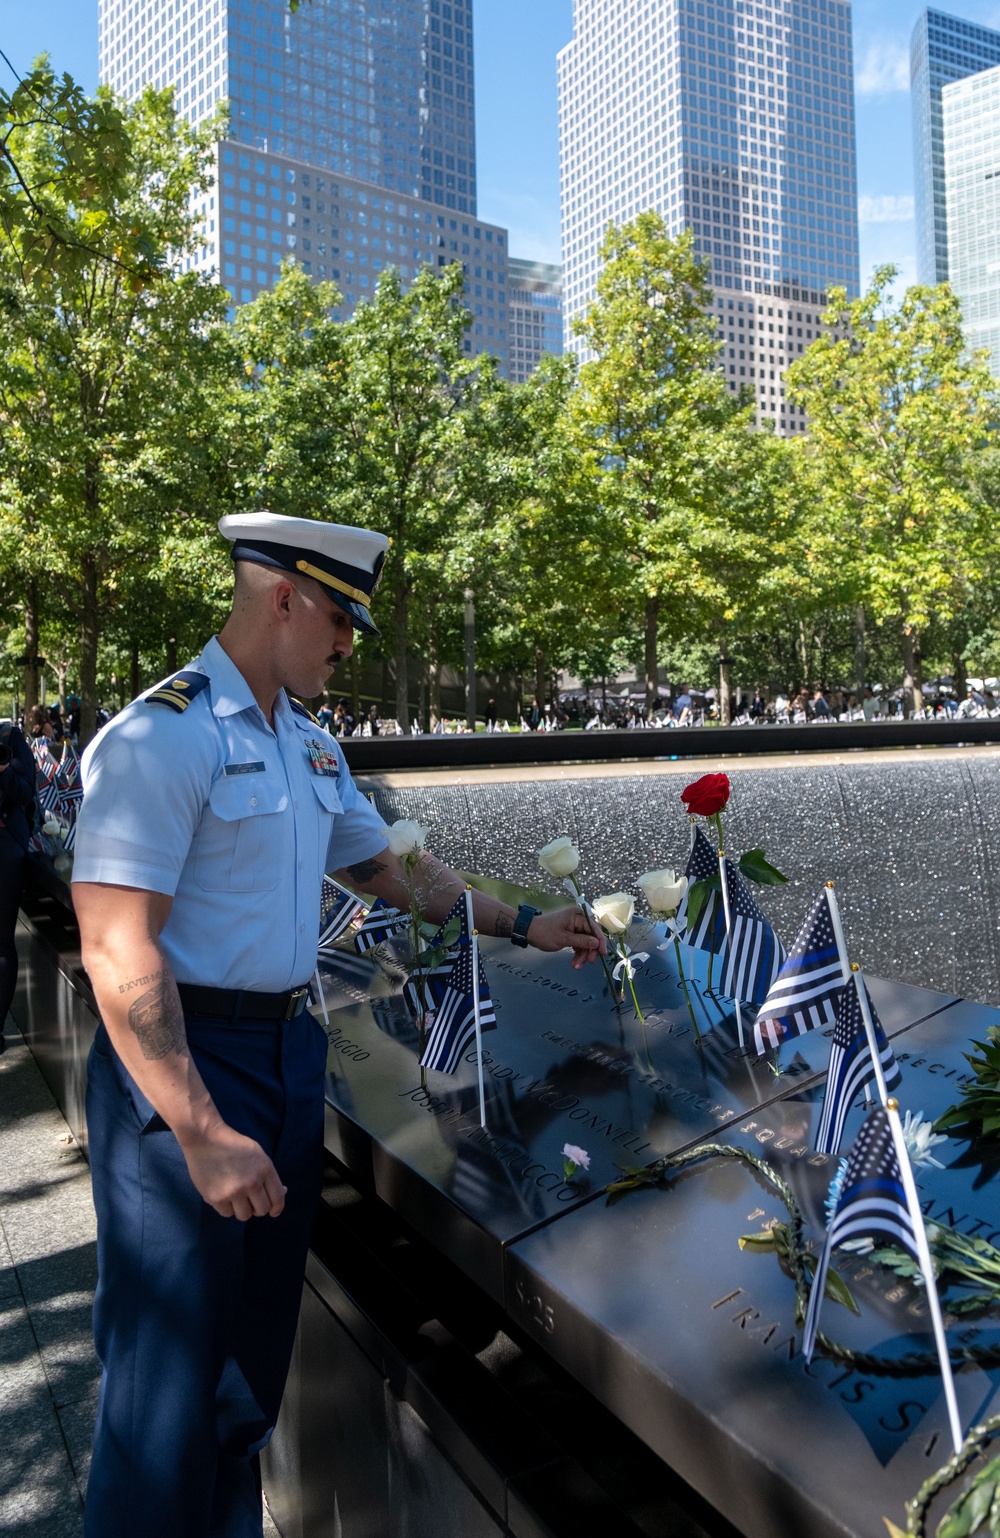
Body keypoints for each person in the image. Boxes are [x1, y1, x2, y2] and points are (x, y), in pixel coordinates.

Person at [71, 511, 605, 1538]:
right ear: (284, 598)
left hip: (284, 1052)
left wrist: (525, 921)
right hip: (185, 1064)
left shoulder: (308, 745)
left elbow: (386, 869)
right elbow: (115, 946)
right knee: (162, 1391)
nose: (350, 642)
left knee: (242, 1382)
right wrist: (198, 1127)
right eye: (341, 618)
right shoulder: (160, 734)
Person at [0, 720, 37, 1047]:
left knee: (1, 942)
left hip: (4, 849)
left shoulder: (8, 736)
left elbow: (27, 792)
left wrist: (4, 771)